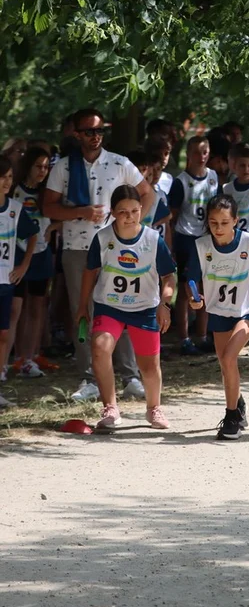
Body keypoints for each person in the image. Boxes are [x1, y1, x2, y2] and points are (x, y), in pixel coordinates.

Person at [42, 107, 155, 403]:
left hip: (116, 247)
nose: (95, 136)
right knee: (84, 312)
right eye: (89, 131)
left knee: (124, 307)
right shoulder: (64, 167)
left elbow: (147, 194)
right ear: (76, 133)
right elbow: (48, 207)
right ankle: (89, 376)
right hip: (77, 247)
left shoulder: (119, 163)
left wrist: (131, 225)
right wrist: (80, 212)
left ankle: (130, 375)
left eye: (100, 130)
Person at [75, 185, 175, 432]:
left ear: (141, 210)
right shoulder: (103, 238)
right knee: (100, 347)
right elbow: (90, 272)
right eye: (123, 212)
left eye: (134, 211)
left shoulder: (153, 240)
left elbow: (169, 276)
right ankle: (110, 407)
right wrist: (82, 306)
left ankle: (154, 408)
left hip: (145, 308)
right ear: (113, 212)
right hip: (110, 306)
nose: (129, 217)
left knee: (149, 365)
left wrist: (165, 304)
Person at [188, 194, 249, 440]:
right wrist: (194, 297)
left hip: (248, 310)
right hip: (219, 310)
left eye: (225, 223)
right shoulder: (201, 246)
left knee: (228, 357)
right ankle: (239, 405)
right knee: (226, 365)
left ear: (235, 221)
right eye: (214, 222)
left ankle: (231, 417)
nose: (218, 228)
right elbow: (192, 279)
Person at [6, 147, 58, 380]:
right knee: (15, 308)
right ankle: (11, 358)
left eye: (46, 167)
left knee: (37, 307)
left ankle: (29, 357)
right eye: (38, 166)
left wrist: (53, 228)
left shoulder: (49, 192)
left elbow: (64, 216)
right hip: (15, 254)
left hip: (41, 253)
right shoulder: (14, 190)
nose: (42, 171)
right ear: (28, 166)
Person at [169, 135, 219, 354]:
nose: (202, 156)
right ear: (188, 155)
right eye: (197, 152)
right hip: (186, 238)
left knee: (206, 286)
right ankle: (184, 338)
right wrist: (170, 247)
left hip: (208, 239)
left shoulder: (214, 177)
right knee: (186, 289)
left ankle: (203, 335)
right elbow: (172, 216)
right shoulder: (181, 182)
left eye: (205, 151)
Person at [0, 157, 40, 406]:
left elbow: (33, 234)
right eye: (2, 177)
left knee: (3, 333)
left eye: (10, 177)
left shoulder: (14, 209)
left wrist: (23, 265)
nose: (7, 182)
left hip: (5, 280)